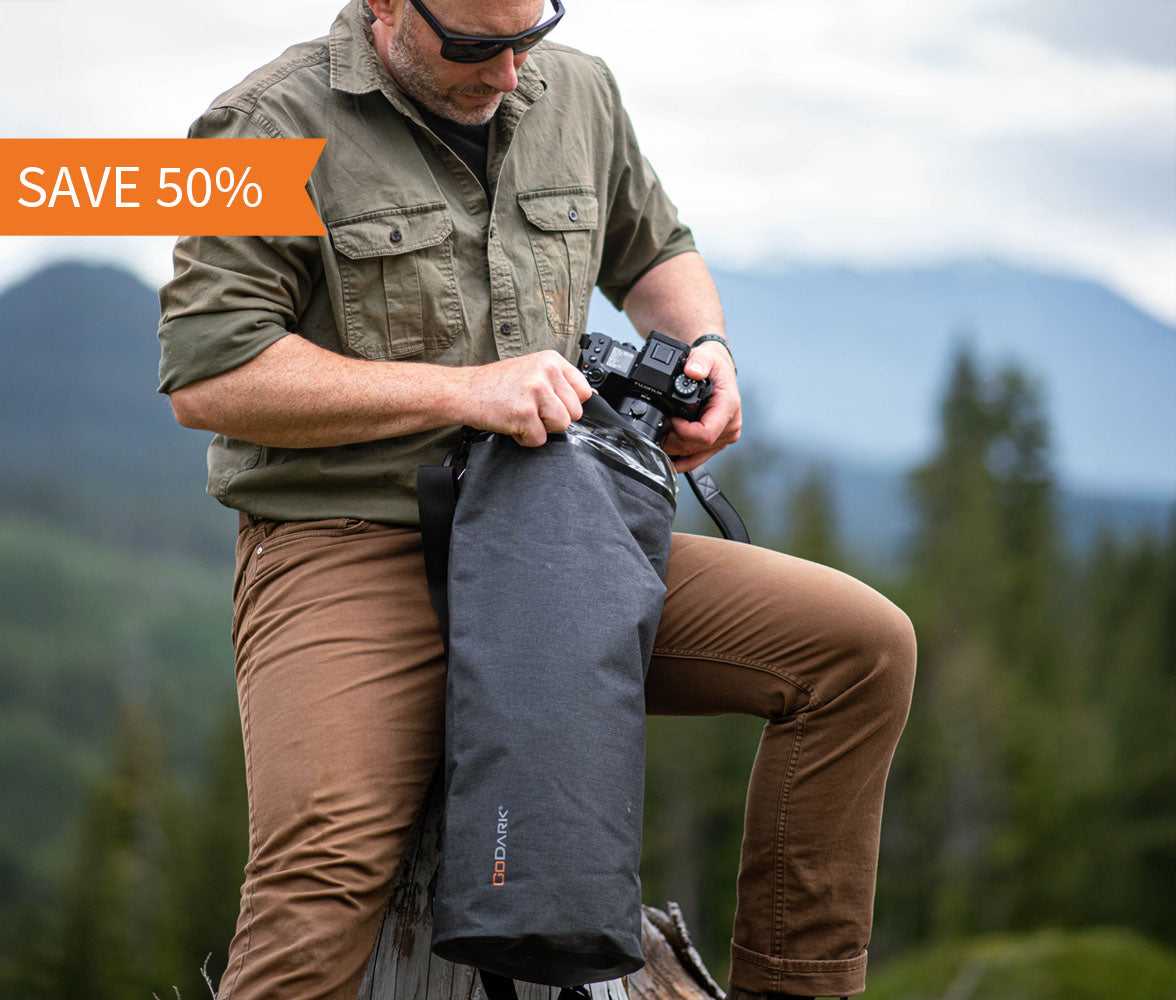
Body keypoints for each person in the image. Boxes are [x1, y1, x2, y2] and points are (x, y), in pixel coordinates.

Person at [156, 1, 916, 997]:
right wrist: (459, 390)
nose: (511, 73)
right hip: (348, 541)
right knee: (324, 876)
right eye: (476, 45)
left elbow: (657, 251)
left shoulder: (583, 92)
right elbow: (212, 376)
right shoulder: (259, 123)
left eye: (531, 35)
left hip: (555, 531)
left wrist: (707, 346)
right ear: (386, 5)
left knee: (860, 650)